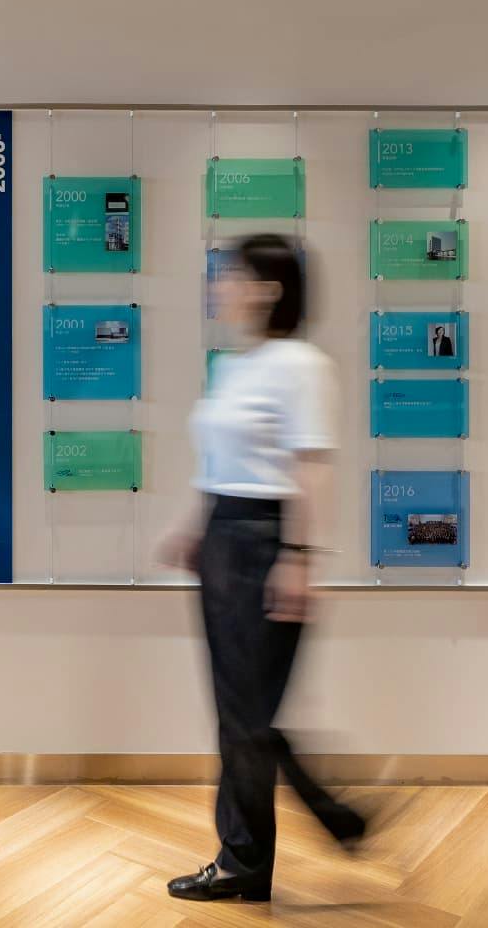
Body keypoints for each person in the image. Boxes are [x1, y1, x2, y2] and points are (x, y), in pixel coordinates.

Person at [159, 234, 366, 904]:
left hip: (265, 540)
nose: (218, 286)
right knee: (237, 713)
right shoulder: (231, 365)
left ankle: (268, 846)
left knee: (247, 715)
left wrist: (298, 557)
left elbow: (311, 465)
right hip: (224, 537)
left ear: (269, 289)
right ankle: (271, 846)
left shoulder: (302, 365)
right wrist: (197, 528)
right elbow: (221, 464)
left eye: (231, 275)